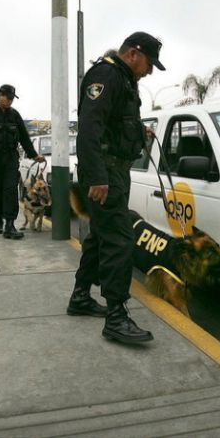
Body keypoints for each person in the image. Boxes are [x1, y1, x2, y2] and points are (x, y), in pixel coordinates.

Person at [67, 31, 165, 344]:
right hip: (105, 174)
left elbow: (114, 121)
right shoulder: (107, 74)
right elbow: (89, 128)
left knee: (100, 236)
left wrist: (139, 131)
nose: (150, 70)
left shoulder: (122, 79)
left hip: (115, 171)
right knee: (120, 240)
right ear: (134, 53)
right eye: (149, 63)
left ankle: (81, 296)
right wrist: (97, 177)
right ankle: (116, 316)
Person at [0, 84, 44, 239]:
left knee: (11, 190)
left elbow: (24, 137)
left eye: (12, 99)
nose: (10, 101)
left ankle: (9, 225)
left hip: (11, 159)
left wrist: (34, 155)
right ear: (0, 95)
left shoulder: (14, 115)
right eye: (8, 98)